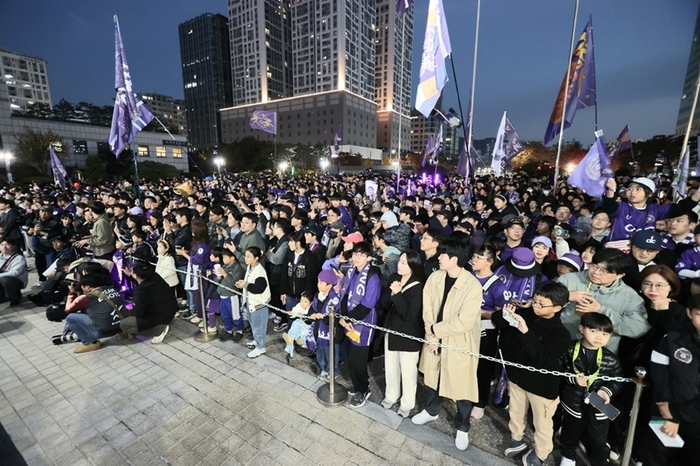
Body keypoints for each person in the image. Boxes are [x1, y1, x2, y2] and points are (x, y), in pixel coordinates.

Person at [412, 239, 482, 451]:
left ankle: (462, 426)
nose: (439, 258)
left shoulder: (472, 285)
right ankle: (432, 410)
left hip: (459, 342)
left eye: (443, 255)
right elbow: (428, 308)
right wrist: (432, 336)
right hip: (433, 336)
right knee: (433, 377)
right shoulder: (435, 277)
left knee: (462, 387)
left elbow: (464, 321)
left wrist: (435, 331)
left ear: (454, 259)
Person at [492, 282, 571, 466]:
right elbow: (498, 321)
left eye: (541, 304)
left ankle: (541, 454)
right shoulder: (526, 312)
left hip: (542, 387)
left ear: (557, 308)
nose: (535, 306)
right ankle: (516, 438)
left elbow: (542, 359)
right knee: (516, 411)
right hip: (517, 378)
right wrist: (508, 312)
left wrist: (525, 331)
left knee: (542, 423)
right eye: (534, 300)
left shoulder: (561, 334)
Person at [558, 313, 623, 466]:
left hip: (599, 407)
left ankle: (598, 459)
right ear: (581, 329)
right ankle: (568, 456)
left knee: (599, 438)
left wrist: (606, 391)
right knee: (570, 432)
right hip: (573, 402)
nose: (599, 337)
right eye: (593, 331)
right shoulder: (569, 349)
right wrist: (573, 379)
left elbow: (618, 380)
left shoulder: (611, 358)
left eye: (605, 333)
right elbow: (557, 369)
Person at [557, 248, 649, 354]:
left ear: (620, 275)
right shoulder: (569, 280)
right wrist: (565, 296)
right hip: (563, 345)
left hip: (601, 355)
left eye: (604, 271)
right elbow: (542, 303)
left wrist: (601, 310)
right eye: (594, 266)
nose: (596, 272)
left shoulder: (630, 297)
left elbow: (639, 329)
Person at [646, 294, 700, 465]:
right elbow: (659, 375)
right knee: (655, 458)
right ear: (689, 313)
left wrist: (677, 413)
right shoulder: (672, 338)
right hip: (665, 411)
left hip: (695, 418)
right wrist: (669, 411)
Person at [381, 250, 425, 418]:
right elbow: (384, 303)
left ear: (413, 266)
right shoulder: (394, 279)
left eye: (404, 263)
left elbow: (409, 315)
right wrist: (392, 292)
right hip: (391, 330)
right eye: (399, 261)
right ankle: (391, 395)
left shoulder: (418, 287)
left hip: (408, 335)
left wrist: (398, 294)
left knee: (408, 372)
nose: (399, 265)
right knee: (391, 368)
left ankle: (407, 403)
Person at [337, 241, 381, 408]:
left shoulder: (372, 276)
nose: (356, 257)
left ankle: (363, 390)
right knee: (351, 358)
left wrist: (347, 319)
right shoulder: (351, 271)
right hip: (349, 320)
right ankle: (357, 386)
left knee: (358, 360)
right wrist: (343, 317)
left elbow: (367, 305)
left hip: (363, 324)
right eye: (355, 254)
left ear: (369, 258)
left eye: (361, 255)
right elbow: (344, 293)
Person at [469, 244, 506, 419]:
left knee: (482, 369)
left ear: (490, 262)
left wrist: (479, 311)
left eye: (478, 258)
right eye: (474, 256)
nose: (474, 260)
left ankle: (480, 402)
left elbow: (500, 314)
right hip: (465, 326)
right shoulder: (468, 276)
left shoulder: (497, 285)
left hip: (485, 330)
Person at [64, 269, 124, 354]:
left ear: (88, 287)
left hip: (103, 332)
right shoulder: (112, 289)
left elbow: (68, 310)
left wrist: (71, 293)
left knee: (71, 318)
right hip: (123, 326)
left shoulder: (86, 297)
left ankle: (90, 343)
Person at [120, 262, 178, 343]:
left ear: (135, 275)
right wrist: (130, 275)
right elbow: (142, 280)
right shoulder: (155, 276)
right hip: (171, 310)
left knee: (125, 324)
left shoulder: (140, 291)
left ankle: (159, 330)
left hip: (159, 317)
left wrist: (129, 311)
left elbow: (138, 313)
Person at [235, 246, 271, 358]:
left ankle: (261, 347)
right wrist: (243, 283)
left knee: (259, 327)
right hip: (251, 302)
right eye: (246, 255)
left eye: (249, 256)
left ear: (256, 258)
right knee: (253, 324)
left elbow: (258, 288)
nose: (246, 258)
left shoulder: (259, 271)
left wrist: (245, 285)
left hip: (258, 304)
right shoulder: (250, 267)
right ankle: (257, 341)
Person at [309, 269, 343, 382]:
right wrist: (312, 314)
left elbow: (333, 316)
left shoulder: (335, 298)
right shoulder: (317, 295)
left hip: (330, 332)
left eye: (321, 282)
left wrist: (322, 316)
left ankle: (333, 371)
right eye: (318, 281)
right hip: (319, 330)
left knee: (332, 354)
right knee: (320, 352)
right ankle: (324, 369)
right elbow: (312, 308)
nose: (318, 284)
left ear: (329, 285)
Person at [215, 248, 246, 342]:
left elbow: (234, 283)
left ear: (232, 258)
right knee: (225, 315)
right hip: (222, 295)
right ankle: (228, 330)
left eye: (225, 257)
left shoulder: (238, 268)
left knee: (235, 315)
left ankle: (239, 330)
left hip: (232, 296)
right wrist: (218, 276)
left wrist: (225, 275)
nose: (223, 259)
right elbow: (219, 281)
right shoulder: (225, 266)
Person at [0, 238, 28, 305]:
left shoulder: (19, 258)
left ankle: (14, 298)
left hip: (16, 280)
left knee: (5, 280)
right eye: (2, 245)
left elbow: (14, 273)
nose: (4, 247)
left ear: (13, 246)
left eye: (7, 245)